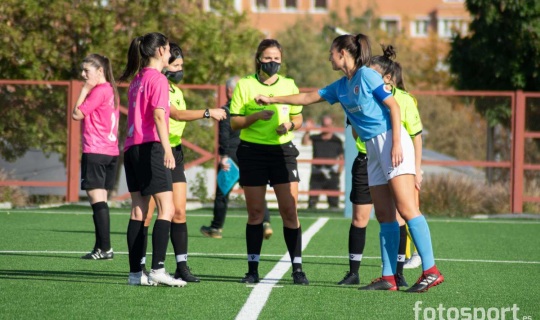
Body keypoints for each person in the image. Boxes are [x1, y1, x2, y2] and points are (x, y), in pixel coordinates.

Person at [255, 34, 443, 292]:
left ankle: (431, 271)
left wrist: (398, 143)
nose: (328, 56)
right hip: (372, 150)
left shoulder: (367, 75)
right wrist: (272, 99)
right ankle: (388, 278)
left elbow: (394, 107)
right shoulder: (341, 85)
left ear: (343, 52)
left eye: (331, 52)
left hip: (390, 141)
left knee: (406, 208)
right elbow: (307, 98)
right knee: (385, 216)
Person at [139, 43, 227, 283]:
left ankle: (182, 266)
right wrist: (208, 112)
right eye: (176, 65)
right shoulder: (158, 84)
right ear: (165, 63)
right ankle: (140, 268)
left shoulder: (176, 89)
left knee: (179, 211)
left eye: (181, 66)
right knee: (146, 214)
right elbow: (175, 114)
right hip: (157, 150)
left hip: (174, 152)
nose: (180, 70)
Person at [338, 46, 424, 288]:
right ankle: (361, 273)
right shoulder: (358, 94)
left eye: (373, 74)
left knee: (402, 215)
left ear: (387, 78)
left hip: (395, 158)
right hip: (367, 159)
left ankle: (406, 271)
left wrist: (417, 169)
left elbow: (415, 135)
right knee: (365, 217)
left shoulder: (404, 100)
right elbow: (355, 130)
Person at [230, 39, 309, 285]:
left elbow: (299, 118)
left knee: (290, 211)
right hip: (252, 152)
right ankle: (252, 270)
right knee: (255, 213)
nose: (272, 62)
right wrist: (254, 116)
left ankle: (297, 269)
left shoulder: (289, 84)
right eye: (267, 58)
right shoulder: (244, 85)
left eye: (276, 59)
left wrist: (290, 125)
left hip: (282, 152)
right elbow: (234, 123)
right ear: (258, 59)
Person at [118, 32, 186, 287]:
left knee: (138, 210)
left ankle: (136, 274)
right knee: (166, 208)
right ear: (160, 51)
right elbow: (159, 116)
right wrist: (167, 150)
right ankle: (158, 269)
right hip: (151, 148)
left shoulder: (137, 79)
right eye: (168, 49)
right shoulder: (157, 78)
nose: (170, 53)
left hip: (131, 148)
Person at [200, 76, 274, 240]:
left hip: (232, 156)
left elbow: (224, 135)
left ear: (229, 91)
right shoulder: (251, 109)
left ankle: (216, 227)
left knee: (222, 193)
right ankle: (266, 223)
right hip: (250, 154)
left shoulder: (226, 110)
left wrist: (223, 156)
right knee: (256, 191)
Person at [72, 54, 119, 260]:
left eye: (86, 71)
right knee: (101, 201)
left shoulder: (99, 91)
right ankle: (102, 247)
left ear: (100, 71)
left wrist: (83, 89)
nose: (83, 74)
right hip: (110, 152)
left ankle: (105, 248)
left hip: (96, 150)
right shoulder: (111, 90)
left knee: (97, 201)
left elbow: (77, 113)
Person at [302, 115, 344, 209]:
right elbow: (305, 143)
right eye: (324, 125)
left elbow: (342, 158)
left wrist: (338, 173)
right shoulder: (315, 138)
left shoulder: (337, 140)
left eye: (328, 125)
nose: (326, 127)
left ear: (332, 125)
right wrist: (308, 130)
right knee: (312, 203)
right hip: (317, 173)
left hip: (332, 174)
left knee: (334, 204)